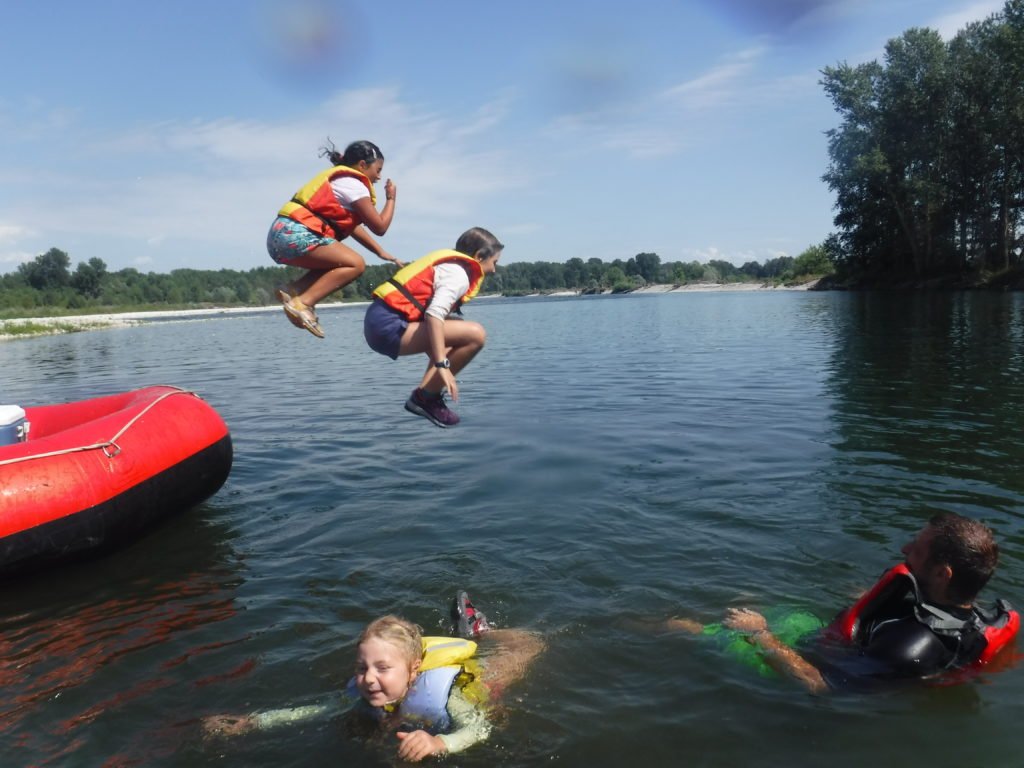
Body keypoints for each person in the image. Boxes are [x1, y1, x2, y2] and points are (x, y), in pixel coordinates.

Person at [665, 513, 1019, 693]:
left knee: (690, 628)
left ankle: (633, 625)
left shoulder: (910, 647)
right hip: (829, 639)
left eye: (917, 549)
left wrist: (761, 635)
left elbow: (818, 684)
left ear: (943, 574)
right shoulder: (967, 613)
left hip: (808, 668)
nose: (905, 551)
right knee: (776, 608)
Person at [203, 592, 543, 763]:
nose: (367, 679)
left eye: (382, 669)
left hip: (485, 682)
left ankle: (481, 629)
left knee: (529, 647)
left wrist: (440, 743)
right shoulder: (364, 693)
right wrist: (253, 723)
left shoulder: (446, 696)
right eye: (362, 667)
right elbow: (314, 710)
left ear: (413, 672)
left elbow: (478, 728)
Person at [363, 226, 503, 428]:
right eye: (494, 262)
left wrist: (443, 357)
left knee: (458, 330)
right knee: (475, 335)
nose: (494, 269)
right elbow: (434, 314)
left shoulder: (450, 267)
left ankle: (428, 397)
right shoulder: (459, 275)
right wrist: (442, 365)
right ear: (479, 256)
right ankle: (426, 398)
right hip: (387, 327)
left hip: (379, 322)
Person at [268, 139, 401, 338]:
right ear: (363, 165)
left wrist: (380, 252)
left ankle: (293, 289)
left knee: (337, 263)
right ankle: (303, 303)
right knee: (355, 264)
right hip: (295, 234)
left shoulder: (341, 183)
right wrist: (391, 198)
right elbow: (380, 227)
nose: (379, 177)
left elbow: (353, 227)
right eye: (378, 170)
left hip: (280, 236)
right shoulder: (354, 184)